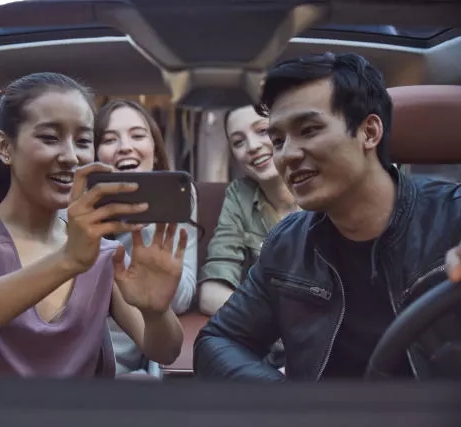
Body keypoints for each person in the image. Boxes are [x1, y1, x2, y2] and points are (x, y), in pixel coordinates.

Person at [194, 52, 461, 381]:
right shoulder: (287, 245)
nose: (287, 155)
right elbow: (217, 340)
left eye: (308, 130)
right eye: (278, 140)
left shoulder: (453, 218)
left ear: (369, 131)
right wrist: (284, 399)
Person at [0, 72, 187, 377]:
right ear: (5, 147)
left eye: (83, 141)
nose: (71, 156)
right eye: (50, 138)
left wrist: (156, 311)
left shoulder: (103, 253)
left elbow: (164, 351)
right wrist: (68, 260)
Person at [94, 99, 197, 375]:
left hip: (131, 367)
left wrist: (150, 218)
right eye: (109, 139)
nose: (124, 146)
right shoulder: (74, 212)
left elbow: (181, 298)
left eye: (137, 136)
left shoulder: (177, 198)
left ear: (155, 151)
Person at [198, 105, 298, 316]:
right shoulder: (239, 195)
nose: (252, 146)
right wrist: (276, 321)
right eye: (238, 142)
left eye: (262, 130)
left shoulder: (326, 185)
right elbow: (210, 294)